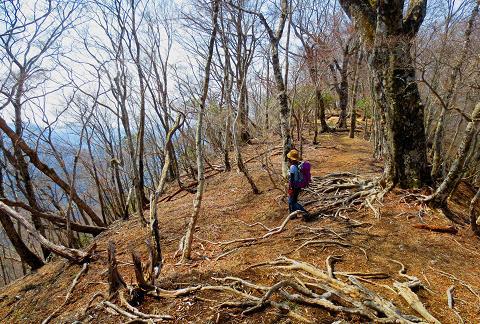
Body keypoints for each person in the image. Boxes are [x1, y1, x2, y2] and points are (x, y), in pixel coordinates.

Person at [287, 149, 309, 216]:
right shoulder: (298, 165)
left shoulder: (292, 167)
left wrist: (290, 188)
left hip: (294, 186)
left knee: (292, 202)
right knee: (293, 201)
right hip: (298, 186)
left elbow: (292, 179)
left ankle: (304, 212)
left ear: (291, 159)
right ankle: (293, 215)